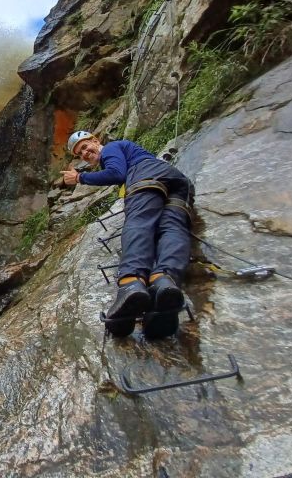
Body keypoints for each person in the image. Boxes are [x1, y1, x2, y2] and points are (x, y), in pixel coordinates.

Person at [61, 131, 194, 339]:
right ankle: (163, 281)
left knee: (139, 223)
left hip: (146, 175)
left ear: (97, 141)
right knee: (173, 227)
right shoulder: (127, 151)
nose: (86, 153)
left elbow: (117, 173)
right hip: (177, 182)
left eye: (86, 146)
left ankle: (131, 283)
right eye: (80, 153)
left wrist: (79, 177)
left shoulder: (112, 148)